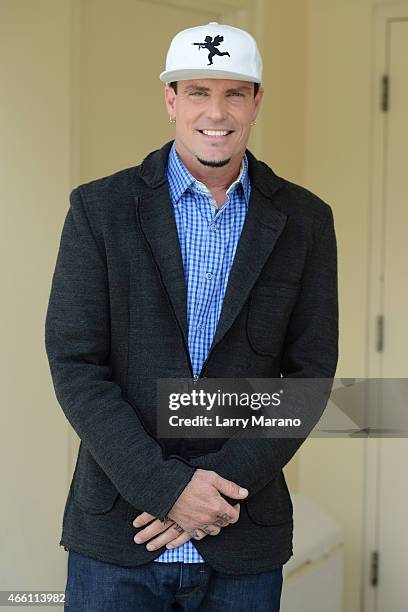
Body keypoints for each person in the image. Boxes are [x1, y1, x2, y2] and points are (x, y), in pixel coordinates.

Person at [45, 21, 338, 612]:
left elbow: (307, 379)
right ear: (170, 101)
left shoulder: (306, 221)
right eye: (199, 92)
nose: (218, 112)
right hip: (119, 539)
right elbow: (77, 366)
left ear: (257, 102)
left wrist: (214, 492)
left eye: (235, 93)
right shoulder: (98, 210)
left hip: (242, 536)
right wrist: (168, 488)